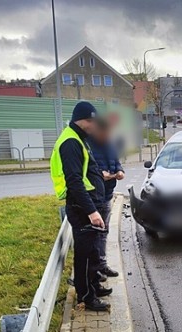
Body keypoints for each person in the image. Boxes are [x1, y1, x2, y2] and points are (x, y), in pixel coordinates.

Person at [50, 101, 112, 312]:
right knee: (85, 256)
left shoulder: (79, 138)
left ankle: (93, 286)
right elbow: (74, 181)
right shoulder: (71, 142)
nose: (96, 127)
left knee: (93, 251)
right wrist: (92, 211)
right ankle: (86, 297)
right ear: (84, 121)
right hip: (82, 207)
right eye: (93, 122)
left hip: (88, 204)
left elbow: (84, 172)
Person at [87, 117, 124, 278]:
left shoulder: (109, 143)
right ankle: (94, 269)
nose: (108, 136)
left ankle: (102, 264)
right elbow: (88, 170)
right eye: (105, 133)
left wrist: (119, 170)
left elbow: (115, 161)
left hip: (107, 194)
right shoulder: (88, 145)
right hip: (94, 196)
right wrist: (101, 175)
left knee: (104, 232)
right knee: (94, 234)